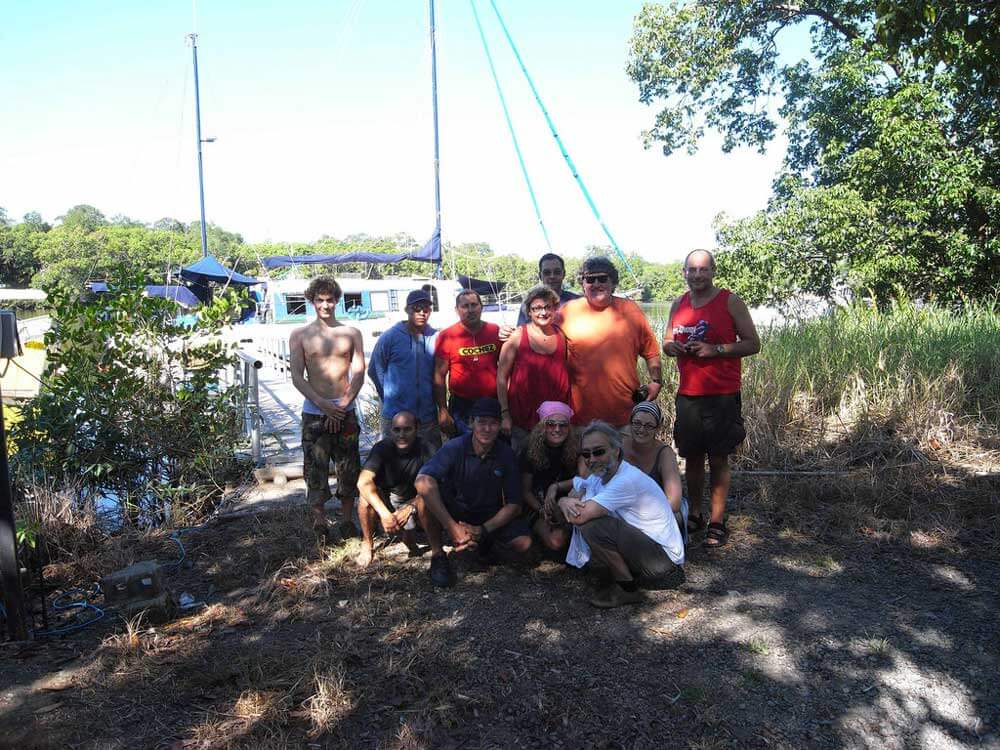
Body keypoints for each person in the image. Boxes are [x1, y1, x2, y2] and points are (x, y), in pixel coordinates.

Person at [663, 249, 760, 548]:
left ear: (713, 271)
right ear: (684, 272)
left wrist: (715, 349)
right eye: (691, 269)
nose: (697, 275)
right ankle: (695, 513)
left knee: (718, 459)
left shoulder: (729, 301)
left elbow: (753, 343)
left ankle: (717, 521)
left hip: (722, 395)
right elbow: (666, 341)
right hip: (688, 394)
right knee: (691, 457)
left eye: (703, 269)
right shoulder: (679, 304)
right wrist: (672, 348)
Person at [549, 421, 685, 608]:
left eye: (599, 452)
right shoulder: (603, 473)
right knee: (591, 517)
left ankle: (627, 589)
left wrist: (562, 501)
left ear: (616, 451)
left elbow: (577, 516)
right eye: (586, 454)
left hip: (662, 564)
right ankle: (623, 574)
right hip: (652, 551)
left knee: (590, 525)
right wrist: (555, 487)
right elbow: (580, 482)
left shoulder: (625, 480)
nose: (591, 459)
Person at [414, 398, 533, 587]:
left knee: (524, 543)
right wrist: (452, 526)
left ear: (500, 425)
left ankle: (481, 546)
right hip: (457, 510)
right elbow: (422, 480)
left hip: (488, 514)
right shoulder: (455, 447)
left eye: (493, 423)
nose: (487, 429)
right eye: (482, 422)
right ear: (472, 423)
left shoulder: (506, 454)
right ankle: (438, 555)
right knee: (423, 497)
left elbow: (514, 504)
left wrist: (483, 529)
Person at [289, 276, 366, 541]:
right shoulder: (300, 335)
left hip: (345, 410)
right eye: (320, 300)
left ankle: (346, 520)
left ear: (337, 300)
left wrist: (342, 407)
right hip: (315, 410)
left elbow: (359, 373)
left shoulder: (351, 333)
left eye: (330, 300)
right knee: (315, 467)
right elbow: (298, 376)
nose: (325, 305)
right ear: (312, 302)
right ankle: (320, 522)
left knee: (348, 466)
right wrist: (323, 407)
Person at [555, 256, 663, 428]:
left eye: (603, 278)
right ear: (583, 284)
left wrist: (656, 382)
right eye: (590, 279)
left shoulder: (631, 310)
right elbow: (542, 343)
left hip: (626, 415)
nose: (596, 283)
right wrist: (513, 335)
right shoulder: (566, 312)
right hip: (581, 419)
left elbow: (651, 353)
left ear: (613, 282)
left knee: (626, 456)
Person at [355, 411, 436, 567]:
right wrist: (384, 514)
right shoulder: (381, 448)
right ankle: (367, 543)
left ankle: (433, 547)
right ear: (391, 430)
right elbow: (363, 482)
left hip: (415, 502)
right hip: (388, 502)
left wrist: (411, 507)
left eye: (407, 429)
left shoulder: (427, 448)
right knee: (365, 496)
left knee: (430, 495)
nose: (402, 434)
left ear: (417, 428)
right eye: (397, 430)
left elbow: (437, 484)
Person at [496, 285, 571, 447]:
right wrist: (505, 414)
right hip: (523, 418)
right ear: (528, 312)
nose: (542, 312)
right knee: (523, 465)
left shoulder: (562, 335)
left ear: (555, 308)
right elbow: (501, 378)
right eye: (536, 308)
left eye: (547, 307)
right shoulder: (516, 336)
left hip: (555, 420)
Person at [368, 289, 441, 448]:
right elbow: (375, 369)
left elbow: (440, 374)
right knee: (394, 465)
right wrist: (390, 396)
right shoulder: (390, 337)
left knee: (431, 464)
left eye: (426, 309)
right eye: (417, 308)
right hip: (396, 418)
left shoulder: (436, 337)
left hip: (427, 418)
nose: (422, 312)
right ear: (407, 309)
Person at [433, 290, 501, 437]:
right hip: (461, 406)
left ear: (481, 307)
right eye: (465, 306)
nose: (470, 310)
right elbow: (439, 375)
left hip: (491, 402)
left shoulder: (495, 331)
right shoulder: (447, 336)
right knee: (462, 450)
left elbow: (507, 368)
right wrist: (443, 410)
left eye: (474, 305)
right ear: (457, 310)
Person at [623, 401, 687, 542]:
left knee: (674, 518)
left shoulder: (664, 453)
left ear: (657, 428)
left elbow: (674, 502)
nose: (641, 430)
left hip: (656, 512)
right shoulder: (618, 448)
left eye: (649, 426)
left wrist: (640, 515)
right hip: (623, 507)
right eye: (637, 423)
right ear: (630, 423)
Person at [520, 401, 580, 552]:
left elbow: (584, 480)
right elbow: (525, 490)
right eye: (551, 424)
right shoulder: (529, 449)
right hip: (537, 506)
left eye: (563, 425)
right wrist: (542, 510)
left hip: (566, 504)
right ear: (542, 427)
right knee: (556, 541)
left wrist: (556, 487)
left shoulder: (576, 448)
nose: (557, 429)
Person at [501, 253, 580, 336]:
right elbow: (521, 334)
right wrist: (506, 333)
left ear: (563, 274)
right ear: (540, 276)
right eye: (547, 273)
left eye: (557, 272)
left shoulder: (577, 302)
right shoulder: (529, 303)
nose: (552, 276)